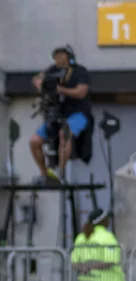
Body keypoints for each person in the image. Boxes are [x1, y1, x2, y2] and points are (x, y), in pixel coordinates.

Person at [29, 45, 91, 184]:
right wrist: (40, 84)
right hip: (57, 114)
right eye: (55, 56)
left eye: (60, 56)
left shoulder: (80, 71)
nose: (57, 59)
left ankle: (61, 173)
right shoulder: (52, 70)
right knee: (34, 141)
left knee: (65, 134)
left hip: (78, 114)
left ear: (68, 56)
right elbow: (37, 78)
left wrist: (60, 90)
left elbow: (81, 92)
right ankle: (45, 174)